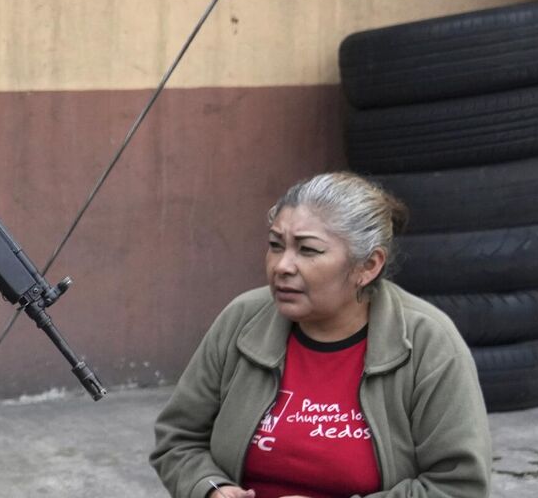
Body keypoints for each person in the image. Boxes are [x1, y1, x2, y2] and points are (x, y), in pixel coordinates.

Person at [149, 172, 491, 498]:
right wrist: (210, 488)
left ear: (368, 266)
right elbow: (178, 440)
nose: (282, 265)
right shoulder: (242, 319)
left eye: (307, 250)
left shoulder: (428, 342)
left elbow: (459, 487)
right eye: (275, 245)